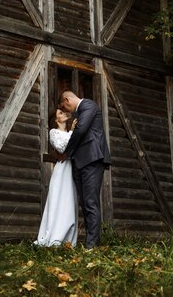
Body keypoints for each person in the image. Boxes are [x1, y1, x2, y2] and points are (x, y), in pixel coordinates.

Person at [58, 90, 111, 249]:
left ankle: (91, 246)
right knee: (85, 204)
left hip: (92, 160)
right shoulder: (81, 111)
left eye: (66, 108)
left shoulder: (88, 105)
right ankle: (90, 243)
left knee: (90, 203)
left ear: (67, 100)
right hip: (81, 162)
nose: (69, 112)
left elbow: (80, 130)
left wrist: (66, 153)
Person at [34, 108, 78, 247]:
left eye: (64, 112)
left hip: (72, 168)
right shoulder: (54, 132)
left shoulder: (70, 132)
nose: (64, 114)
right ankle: (54, 238)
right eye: (60, 113)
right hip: (63, 170)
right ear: (55, 119)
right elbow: (62, 147)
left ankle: (68, 241)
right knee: (59, 201)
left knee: (70, 202)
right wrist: (72, 131)